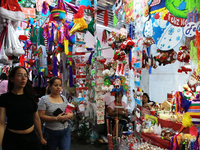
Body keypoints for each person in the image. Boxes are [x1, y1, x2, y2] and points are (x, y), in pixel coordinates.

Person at [0, 66, 47, 150]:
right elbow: (1, 124)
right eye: (19, 75)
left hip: (31, 139)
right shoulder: (4, 98)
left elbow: (36, 118)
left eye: (25, 75)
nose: (23, 78)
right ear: (11, 79)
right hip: (12, 139)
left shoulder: (31, 97)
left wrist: (41, 137)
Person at [38, 77, 73, 150]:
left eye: (60, 85)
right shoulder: (44, 99)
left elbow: (69, 111)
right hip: (50, 132)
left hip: (65, 131)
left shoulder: (64, 98)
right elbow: (40, 116)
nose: (58, 87)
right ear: (50, 86)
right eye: (55, 85)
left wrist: (70, 115)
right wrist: (56, 118)